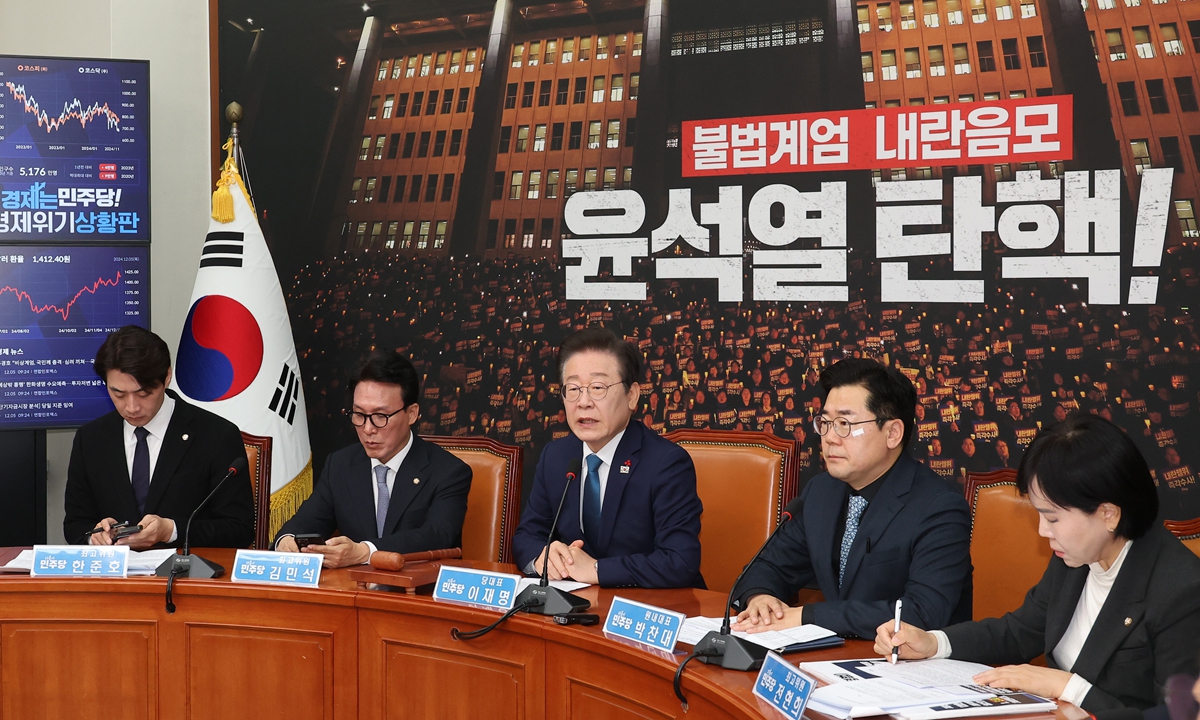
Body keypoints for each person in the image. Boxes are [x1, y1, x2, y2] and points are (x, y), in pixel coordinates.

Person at [875, 415, 1200, 715]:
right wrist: (933, 643)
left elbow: (1178, 713)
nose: (1044, 532)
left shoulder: (1180, 590)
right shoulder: (1076, 556)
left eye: (1053, 517)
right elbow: (1019, 632)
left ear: (1108, 514)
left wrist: (1067, 686)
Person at [731, 358, 972, 638]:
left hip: (910, 670)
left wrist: (807, 616)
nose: (830, 437)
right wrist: (760, 597)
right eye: (825, 422)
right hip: (835, 659)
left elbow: (922, 612)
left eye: (844, 423)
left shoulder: (939, 508)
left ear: (892, 433)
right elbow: (768, 565)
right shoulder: (821, 491)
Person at [511, 327, 704, 588]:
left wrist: (596, 569)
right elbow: (527, 536)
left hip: (649, 609)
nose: (584, 402)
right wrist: (543, 557)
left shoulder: (666, 463)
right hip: (575, 609)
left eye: (598, 387)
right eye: (573, 389)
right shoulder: (556, 456)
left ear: (632, 395)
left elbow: (680, 560)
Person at [275, 351, 472, 568]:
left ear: (412, 414)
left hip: (418, 590)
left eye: (380, 416)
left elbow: (437, 535)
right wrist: (287, 541)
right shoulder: (340, 465)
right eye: (359, 415)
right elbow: (307, 521)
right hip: (355, 591)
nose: (368, 429)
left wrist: (365, 552)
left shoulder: (448, 471)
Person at [64, 326, 254, 549]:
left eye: (143, 394)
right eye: (118, 394)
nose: (132, 407)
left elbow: (239, 529)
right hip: (115, 577)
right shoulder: (91, 439)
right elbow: (75, 525)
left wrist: (172, 530)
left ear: (167, 377)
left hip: (186, 576)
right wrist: (94, 535)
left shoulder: (215, 435)